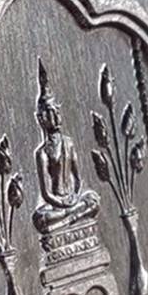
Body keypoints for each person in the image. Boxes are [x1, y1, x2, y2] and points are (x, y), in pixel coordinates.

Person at [33, 59, 99, 234]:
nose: (55, 117)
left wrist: (75, 197)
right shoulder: (42, 153)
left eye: (56, 112)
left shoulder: (68, 143)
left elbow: (78, 178)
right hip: (56, 205)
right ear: (41, 119)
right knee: (41, 218)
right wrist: (62, 203)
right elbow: (46, 193)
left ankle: (70, 219)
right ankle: (71, 219)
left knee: (93, 200)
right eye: (49, 113)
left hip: (73, 200)